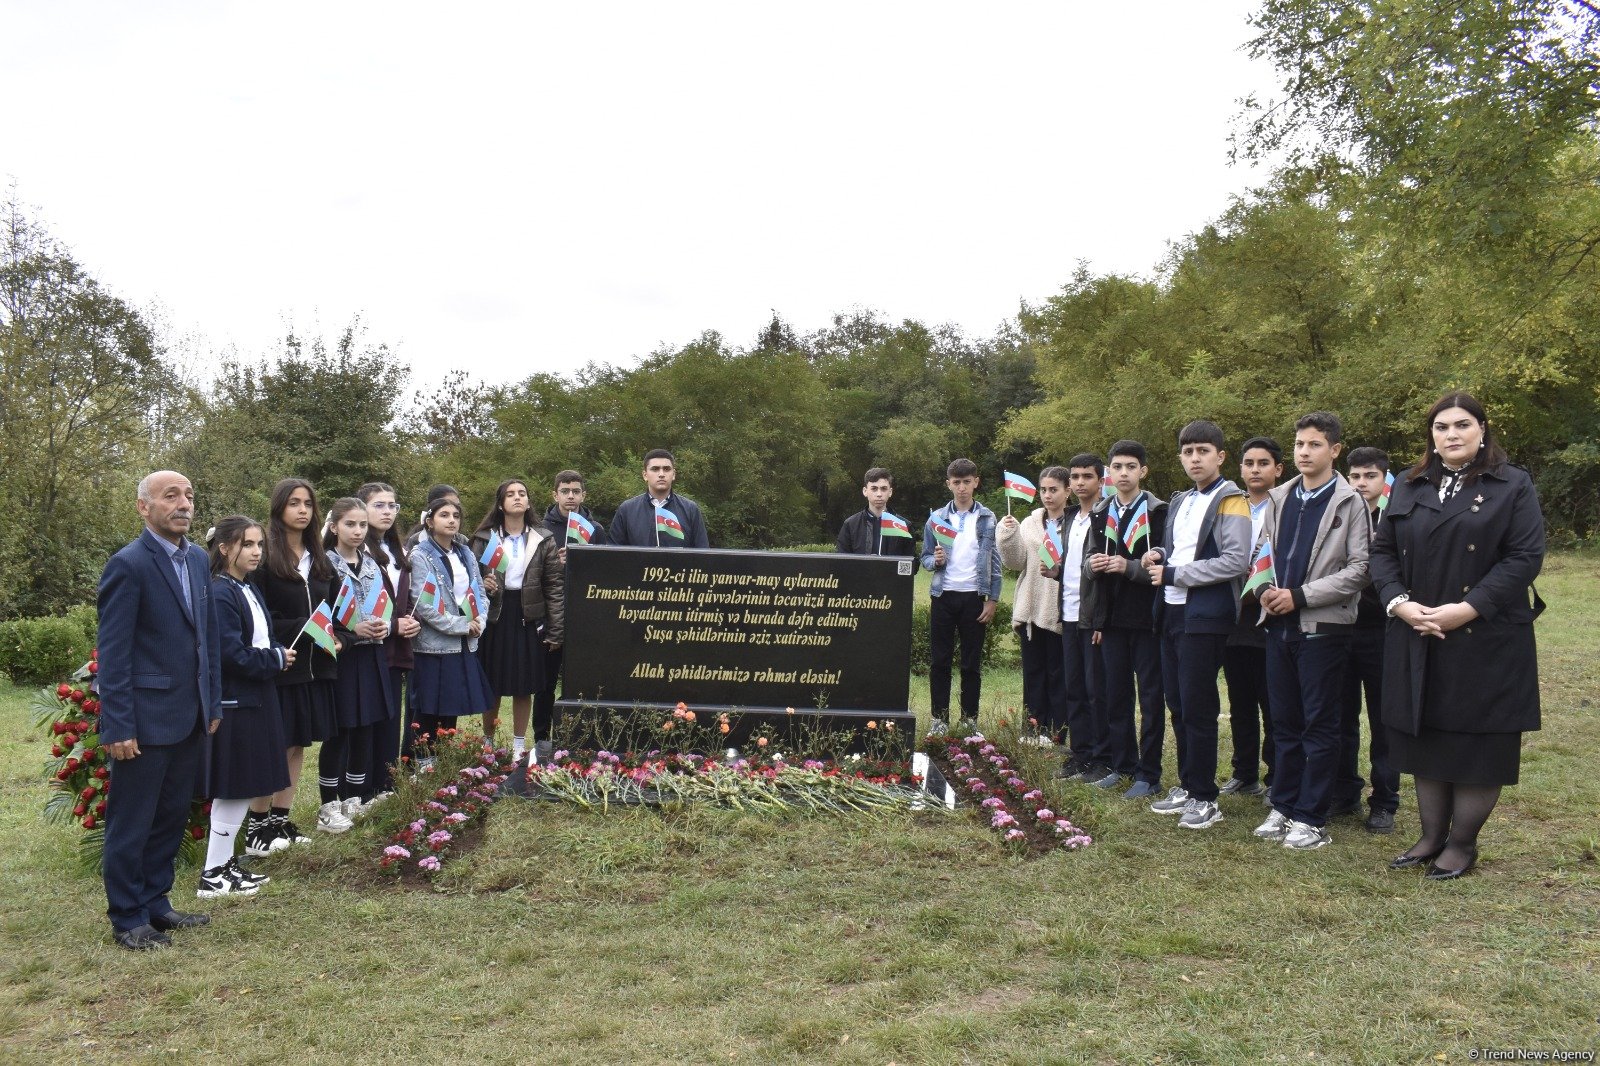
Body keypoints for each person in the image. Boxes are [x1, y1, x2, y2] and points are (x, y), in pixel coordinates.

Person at [1370, 392, 1545, 880]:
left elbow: (1524, 558)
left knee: (1476, 741)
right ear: (1432, 435)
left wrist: (1465, 610)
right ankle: (1429, 836)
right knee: (1426, 732)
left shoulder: (1513, 485)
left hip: (1483, 633)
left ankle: (1461, 845)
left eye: (1462, 424)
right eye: (1442, 426)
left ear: (1482, 430)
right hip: (1417, 627)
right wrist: (1399, 604)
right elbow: (1381, 552)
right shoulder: (1408, 483)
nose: (1451, 434)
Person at [96, 470, 222, 950]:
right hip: (144, 721)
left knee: (170, 815)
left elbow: (205, 639)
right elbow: (114, 652)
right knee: (133, 822)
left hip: (189, 715)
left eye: (189, 495)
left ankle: (156, 903)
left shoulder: (196, 560)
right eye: (171, 496)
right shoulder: (128, 564)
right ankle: (128, 919)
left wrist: (210, 702)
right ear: (143, 508)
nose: (184, 503)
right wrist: (118, 723)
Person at [1252, 412, 1370, 851]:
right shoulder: (1280, 496)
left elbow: (1361, 569)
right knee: (1283, 722)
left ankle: (1311, 817)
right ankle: (1282, 805)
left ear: (1334, 450)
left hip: (1323, 626)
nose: (1304, 451)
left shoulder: (1349, 501)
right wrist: (1264, 588)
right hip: (1277, 626)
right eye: (1300, 444)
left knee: (1320, 725)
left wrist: (1300, 596)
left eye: (1315, 444)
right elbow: (1264, 553)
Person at [1141, 421, 1251, 830]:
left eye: (1203, 451)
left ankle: (1205, 796)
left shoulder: (1231, 500)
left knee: (1199, 706)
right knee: (1178, 705)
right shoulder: (1182, 500)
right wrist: (1158, 554)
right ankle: (1188, 786)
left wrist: (1174, 574)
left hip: (1204, 616)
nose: (1194, 459)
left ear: (1220, 456)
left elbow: (1236, 561)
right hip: (1169, 612)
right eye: (1187, 452)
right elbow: (1180, 549)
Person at [200, 517, 291, 898]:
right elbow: (230, 653)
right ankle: (213, 873)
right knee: (235, 785)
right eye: (247, 545)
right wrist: (276, 659)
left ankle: (223, 866)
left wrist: (273, 656)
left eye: (258, 545)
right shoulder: (221, 592)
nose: (256, 552)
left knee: (243, 785)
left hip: (256, 697)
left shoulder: (245, 587)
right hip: (238, 700)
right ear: (224, 549)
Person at [255, 478, 344, 843]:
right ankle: (257, 827)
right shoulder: (263, 556)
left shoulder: (319, 558)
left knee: (298, 745)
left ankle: (280, 819)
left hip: (315, 668)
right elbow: (257, 616)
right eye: (294, 503)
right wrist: (302, 626)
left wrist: (336, 636)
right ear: (279, 508)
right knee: (276, 746)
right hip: (281, 665)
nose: (302, 510)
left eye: (308, 503)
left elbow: (334, 611)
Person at [1084, 440, 1168, 798]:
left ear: (1142, 472)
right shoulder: (1101, 513)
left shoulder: (1160, 513)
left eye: (1130, 467)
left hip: (1147, 619)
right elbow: (1088, 559)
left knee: (1150, 699)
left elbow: (1164, 563)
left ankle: (1148, 774)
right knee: (1115, 696)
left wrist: (1129, 567)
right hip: (1112, 619)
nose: (1123, 473)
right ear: (1109, 472)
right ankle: (1122, 765)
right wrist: (1093, 565)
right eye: (1117, 467)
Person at [472, 478, 564, 762]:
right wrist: (482, 584)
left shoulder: (542, 538)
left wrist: (556, 629)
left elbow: (554, 586)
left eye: (522, 493)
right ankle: (487, 744)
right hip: (495, 615)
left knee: (524, 686)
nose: (516, 498)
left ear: (528, 502)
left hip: (528, 616)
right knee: (492, 683)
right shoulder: (485, 537)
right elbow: (468, 580)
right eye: (510, 494)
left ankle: (517, 746)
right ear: (501, 504)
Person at [319, 498, 394, 828]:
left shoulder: (373, 564)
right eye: (350, 524)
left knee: (365, 727)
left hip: (372, 654)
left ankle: (355, 797)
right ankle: (328, 805)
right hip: (342, 657)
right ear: (334, 526)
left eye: (362, 524)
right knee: (340, 731)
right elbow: (318, 615)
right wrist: (350, 630)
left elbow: (384, 606)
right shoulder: (323, 566)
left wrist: (385, 625)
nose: (358, 530)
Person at [1340, 448, 1401, 833]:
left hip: (1383, 631)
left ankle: (1384, 802)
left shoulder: (1396, 520)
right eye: (1356, 476)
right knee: (1341, 717)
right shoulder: (1340, 515)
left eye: (1370, 476)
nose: (1362, 483)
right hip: (1342, 627)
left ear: (1384, 480)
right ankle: (1343, 793)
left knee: (1383, 721)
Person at [1221, 436, 1283, 799]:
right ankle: (1244, 773)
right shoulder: (1231, 506)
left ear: (1278, 469)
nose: (1255, 469)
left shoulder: (1286, 505)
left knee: (1272, 701)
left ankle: (1277, 774)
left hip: (1270, 614)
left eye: (1263, 463)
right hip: (1233, 616)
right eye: (1249, 463)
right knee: (1240, 701)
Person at [921, 458, 1001, 735]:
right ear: (948, 484)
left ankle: (969, 720)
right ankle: (939, 719)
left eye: (967, 482)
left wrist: (992, 600)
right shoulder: (937, 518)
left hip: (974, 598)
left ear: (976, 482)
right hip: (943, 595)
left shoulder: (988, 518)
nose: (962, 488)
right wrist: (936, 561)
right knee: (940, 661)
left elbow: (995, 562)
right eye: (957, 483)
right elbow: (926, 557)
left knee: (971, 663)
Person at [409, 498, 497, 748]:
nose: (451, 520)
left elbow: (479, 591)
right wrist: (461, 625)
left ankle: (444, 764)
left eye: (455, 515)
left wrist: (479, 619)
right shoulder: (420, 555)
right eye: (444, 515)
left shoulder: (465, 552)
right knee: (428, 711)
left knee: (451, 708)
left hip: (463, 644)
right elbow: (423, 603)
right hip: (434, 646)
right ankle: (422, 763)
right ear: (429, 521)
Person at [536, 470, 606, 765]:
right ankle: (542, 737)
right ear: (555, 495)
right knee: (546, 682)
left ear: (583, 495)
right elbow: (530, 574)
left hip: (586, 618)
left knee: (583, 682)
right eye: (564, 490)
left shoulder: (596, 529)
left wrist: (588, 559)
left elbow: (609, 572)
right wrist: (556, 561)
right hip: (552, 617)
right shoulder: (540, 529)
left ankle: (581, 738)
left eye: (576, 491)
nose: (570, 496)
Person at [356, 481, 420, 804]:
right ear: (362, 508)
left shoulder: (399, 551)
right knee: (370, 718)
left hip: (396, 649)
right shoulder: (359, 551)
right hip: (368, 648)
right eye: (378, 505)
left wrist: (409, 620)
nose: (387, 512)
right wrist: (395, 624)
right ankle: (363, 788)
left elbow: (404, 596)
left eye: (392, 506)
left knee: (391, 715)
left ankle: (386, 782)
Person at [997, 466, 1067, 747]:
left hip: (1061, 607)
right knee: (1034, 672)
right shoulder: (1029, 523)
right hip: (1032, 605)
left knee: (1058, 673)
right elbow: (1015, 563)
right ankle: (1032, 727)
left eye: (1054, 490)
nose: (1048, 496)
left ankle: (1057, 732)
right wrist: (1008, 534)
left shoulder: (1075, 523)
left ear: (1067, 492)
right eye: (1044, 490)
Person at [1054, 455, 1109, 779]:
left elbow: (1104, 574)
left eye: (1087, 476)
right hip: (1070, 612)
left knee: (1095, 690)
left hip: (1092, 617)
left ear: (1100, 481)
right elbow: (1074, 565)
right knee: (1073, 687)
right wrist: (1057, 571)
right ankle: (1081, 753)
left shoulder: (1106, 517)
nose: (1079, 482)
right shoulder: (1071, 516)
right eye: (1074, 476)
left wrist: (1101, 619)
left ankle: (1103, 758)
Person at [610, 450, 710, 548]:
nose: (661, 474)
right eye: (655, 469)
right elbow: (613, 552)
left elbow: (703, 552)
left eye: (666, 469)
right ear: (645, 475)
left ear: (673, 474)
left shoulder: (690, 509)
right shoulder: (627, 509)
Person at [836, 467, 919, 566]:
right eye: (874, 489)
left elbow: (912, 565)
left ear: (890, 492)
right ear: (865, 491)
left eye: (883, 489)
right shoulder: (851, 524)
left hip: (891, 580)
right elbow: (840, 561)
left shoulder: (904, 526)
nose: (879, 494)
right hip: (859, 580)